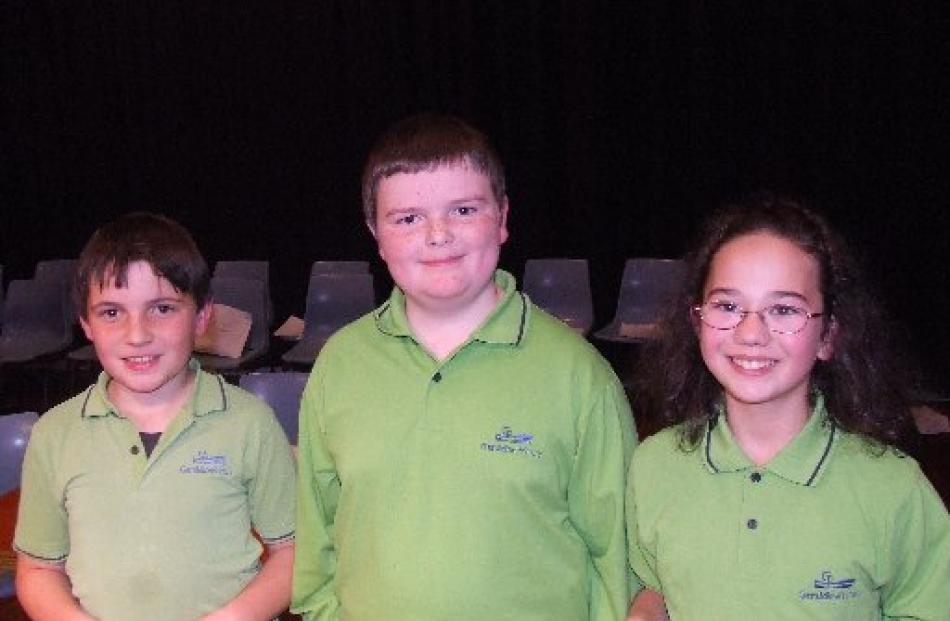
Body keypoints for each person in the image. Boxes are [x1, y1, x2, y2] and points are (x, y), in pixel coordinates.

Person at [292, 113, 639, 620]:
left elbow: (618, 563)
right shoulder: (339, 366)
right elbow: (316, 536)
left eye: (463, 209)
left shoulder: (578, 375)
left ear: (501, 218)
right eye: (407, 218)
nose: (438, 236)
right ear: (375, 234)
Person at [625, 194, 950, 620]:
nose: (752, 332)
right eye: (727, 305)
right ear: (696, 321)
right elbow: (656, 588)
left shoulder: (892, 488)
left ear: (829, 336)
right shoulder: (655, 465)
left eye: (783, 309)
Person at [14, 213, 297, 621]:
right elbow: (39, 568)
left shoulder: (249, 424)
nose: (137, 334)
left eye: (161, 308)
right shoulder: (54, 434)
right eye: (112, 313)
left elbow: (293, 552)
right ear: (86, 324)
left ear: (202, 317)